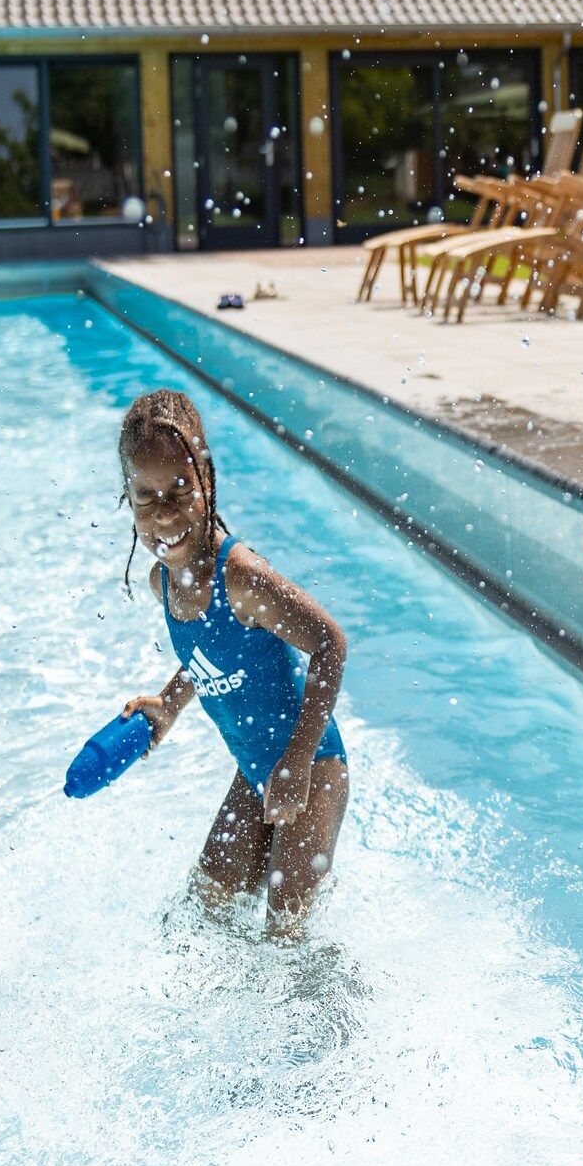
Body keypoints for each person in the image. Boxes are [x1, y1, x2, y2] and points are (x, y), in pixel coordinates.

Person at [115, 389, 350, 933]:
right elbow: (210, 653)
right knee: (206, 908)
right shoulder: (163, 583)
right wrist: (169, 704)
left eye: (180, 488)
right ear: (127, 497)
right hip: (257, 772)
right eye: (146, 496)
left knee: (286, 934)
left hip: (313, 766)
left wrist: (296, 761)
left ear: (207, 479)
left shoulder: (240, 577)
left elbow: (330, 643)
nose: (165, 512)